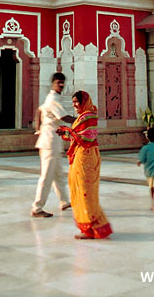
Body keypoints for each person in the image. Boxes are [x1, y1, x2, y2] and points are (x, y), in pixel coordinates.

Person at [57, 90, 112, 239]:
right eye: (73, 102)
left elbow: (87, 137)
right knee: (80, 190)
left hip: (86, 155)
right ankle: (93, 226)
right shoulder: (83, 116)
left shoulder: (89, 115)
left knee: (85, 192)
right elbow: (76, 136)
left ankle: (90, 228)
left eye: (76, 102)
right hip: (81, 155)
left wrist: (67, 131)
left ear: (84, 102)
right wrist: (65, 133)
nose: (74, 105)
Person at [31, 72, 74, 218]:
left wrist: (38, 128)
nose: (61, 85)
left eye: (62, 82)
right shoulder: (53, 99)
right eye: (58, 83)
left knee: (58, 174)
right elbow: (63, 117)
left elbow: (39, 110)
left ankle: (64, 201)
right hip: (49, 141)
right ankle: (37, 207)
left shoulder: (51, 98)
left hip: (52, 140)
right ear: (53, 83)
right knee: (46, 176)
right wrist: (81, 119)